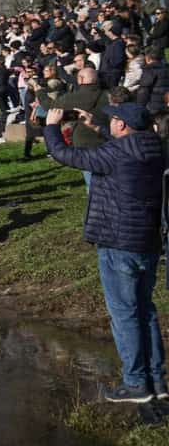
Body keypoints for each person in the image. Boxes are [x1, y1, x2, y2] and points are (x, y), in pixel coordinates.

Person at [43, 103, 167, 403]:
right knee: (145, 309)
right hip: (147, 241)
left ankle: (135, 382)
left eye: (113, 120)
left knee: (124, 313)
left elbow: (66, 155)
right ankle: (156, 379)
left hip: (117, 241)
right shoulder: (155, 148)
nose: (110, 123)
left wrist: (51, 127)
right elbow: (123, 148)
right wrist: (96, 126)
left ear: (122, 126)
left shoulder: (115, 154)